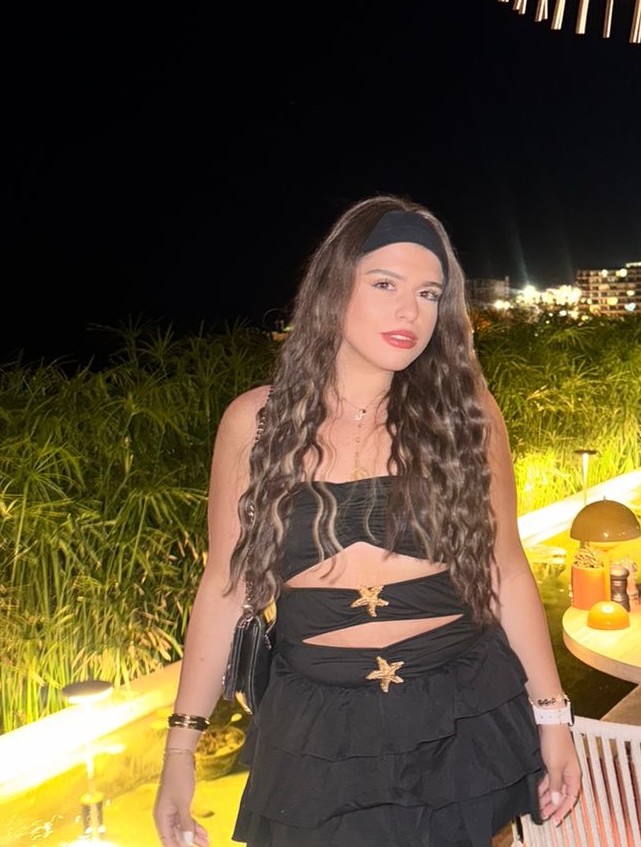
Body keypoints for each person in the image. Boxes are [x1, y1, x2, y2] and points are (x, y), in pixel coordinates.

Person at [153, 194, 581, 847]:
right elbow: (225, 585)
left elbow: (505, 568)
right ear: (334, 289)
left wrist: (553, 717)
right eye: (385, 284)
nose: (410, 310)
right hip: (319, 724)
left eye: (429, 293)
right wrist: (181, 748)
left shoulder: (464, 414)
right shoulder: (256, 423)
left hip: (456, 708)